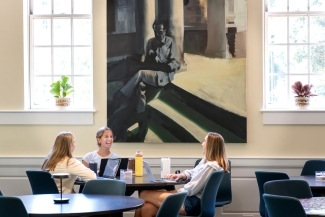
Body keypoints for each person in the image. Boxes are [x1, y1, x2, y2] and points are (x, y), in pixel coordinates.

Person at [134, 132, 229, 217]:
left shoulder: (211, 166)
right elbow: (193, 172)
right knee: (146, 208)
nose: (202, 144)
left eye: (204, 141)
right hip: (188, 198)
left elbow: (192, 189)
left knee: (143, 194)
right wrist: (182, 175)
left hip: (191, 203)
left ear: (210, 146)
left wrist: (174, 192)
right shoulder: (205, 161)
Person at [113, 19, 180, 114]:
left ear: (164, 31)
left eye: (160, 32)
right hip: (152, 72)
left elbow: (176, 63)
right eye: (155, 32)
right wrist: (150, 57)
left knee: (140, 74)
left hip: (163, 75)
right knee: (140, 87)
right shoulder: (151, 42)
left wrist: (165, 65)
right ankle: (141, 116)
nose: (157, 35)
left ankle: (121, 95)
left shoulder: (169, 42)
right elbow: (147, 64)